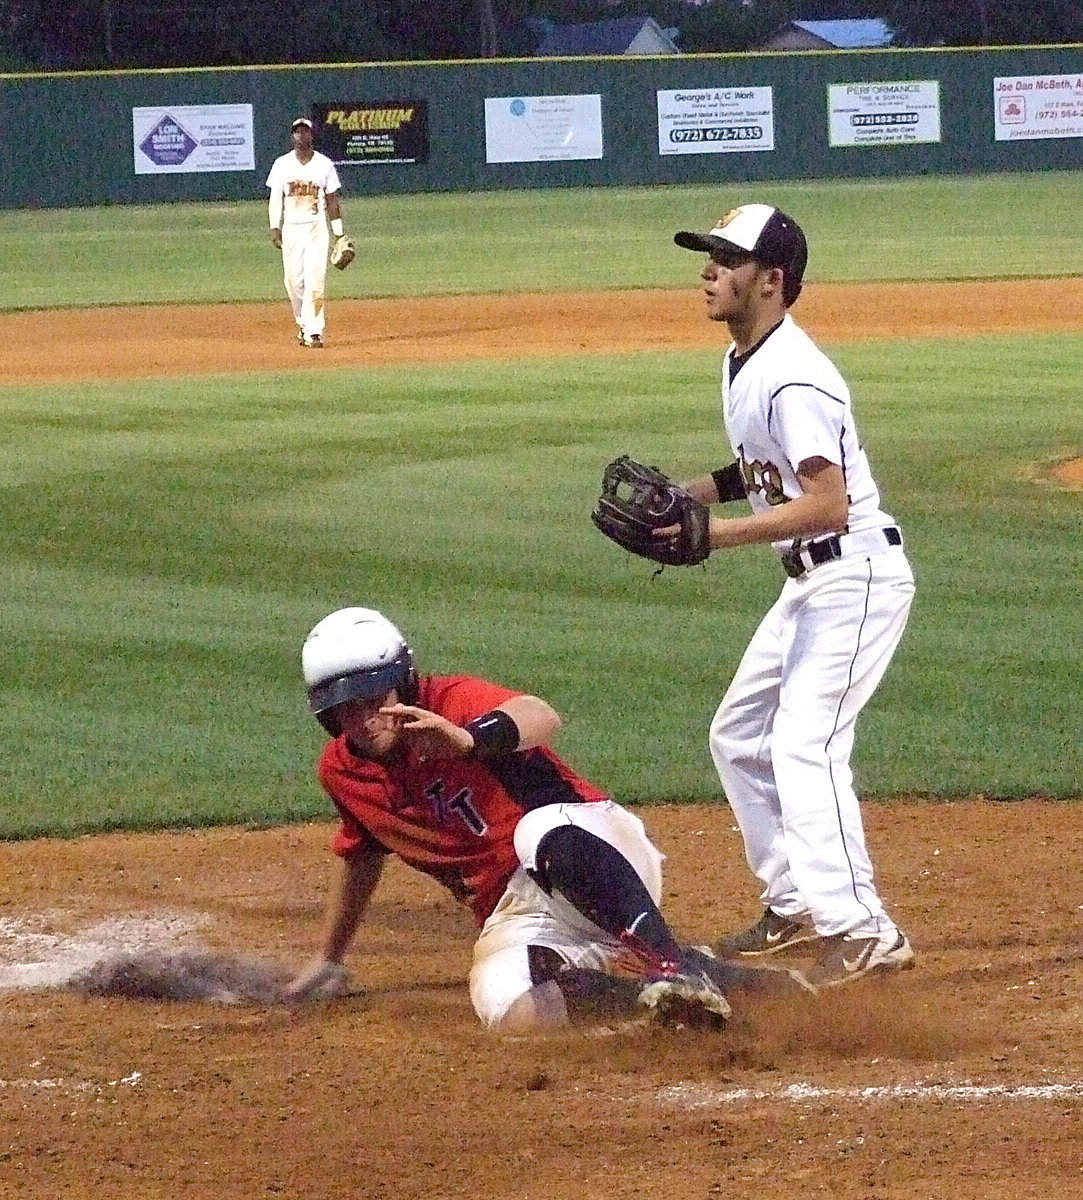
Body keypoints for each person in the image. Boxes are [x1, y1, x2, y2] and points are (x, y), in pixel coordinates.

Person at [283, 607, 808, 1032]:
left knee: (535, 832)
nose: (363, 718)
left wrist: (468, 740)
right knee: (506, 1006)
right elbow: (361, 855)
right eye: (345, 709)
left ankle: (674, 965)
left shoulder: (450, 702)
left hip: (586, 850)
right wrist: (330, 957)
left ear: (401, 682)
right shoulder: (341, 771)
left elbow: (541, 715)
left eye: (372, 698)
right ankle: (672, 997)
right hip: (515, 914)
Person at [667, 203, 916, 989]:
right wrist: (694, 491)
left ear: (770, 281)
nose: (708, 271)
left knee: (803, 745)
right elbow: (761, 468)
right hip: (813, 581)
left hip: (855, 575)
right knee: (737, 735)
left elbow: (825, 502)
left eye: (725, 260)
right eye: (707, 257)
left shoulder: (793, 373)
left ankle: (861, 930)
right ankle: (796, 905)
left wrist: (712, 534)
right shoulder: (745, 358)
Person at [265, 117, 346, 349]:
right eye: (297, 132)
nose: (301, 136)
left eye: (305, 132)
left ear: (312, 135)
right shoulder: (282, 164)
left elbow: (332, 200)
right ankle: (302, 323)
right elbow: (275, 199)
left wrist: (338, 234)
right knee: (293, 281)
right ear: (293, 136)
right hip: (291, 230)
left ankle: (315, 331)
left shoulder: (324, 164)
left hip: (316, 230)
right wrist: (275, 227)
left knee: (316, 282)